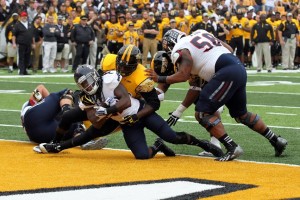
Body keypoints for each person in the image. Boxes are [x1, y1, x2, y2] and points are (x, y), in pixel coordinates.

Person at [146, 29, 288, 161]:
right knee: (241, 114)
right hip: (237, 66)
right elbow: (230, 50)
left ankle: (231, 147)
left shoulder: (180, 48)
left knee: (202, 113)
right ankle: (276, 140)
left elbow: (183, 75)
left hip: (225, 71)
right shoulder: (200, 33)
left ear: (171, 43)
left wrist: (159, 78)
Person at [103, 45, 224, 159]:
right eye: (121, 65)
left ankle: (207, 143)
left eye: (127, 66)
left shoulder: (185, 63)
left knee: (179, 131)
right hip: (131, 115)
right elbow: (160, 91)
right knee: (141, 155)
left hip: (143, 111)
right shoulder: (109, 65)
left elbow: (159, 98)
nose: (123, 69)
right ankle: (158, 146)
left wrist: (178, 111)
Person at [34, 65, 176, 159]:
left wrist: (107, 110)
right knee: (68, 116)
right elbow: (94, 120)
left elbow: (125, 100)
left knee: (89, 134)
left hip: (122, 110)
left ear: (95, 75)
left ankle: (58, 147)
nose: (87, 86)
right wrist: (100, 110)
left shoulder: (110, 80)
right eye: (83, 85)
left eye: (88, 81)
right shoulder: (86, 94)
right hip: (101, 109)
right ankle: (55, 142)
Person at [150, 51, 223, 157]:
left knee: (207, 111)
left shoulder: (186, 60)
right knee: (203, 109)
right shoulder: (173, 62)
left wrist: (178, 112)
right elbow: (160, 92)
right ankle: (217, 144)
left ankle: (221, 145)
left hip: (219, 77)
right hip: (211, 77)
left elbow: (195, 88)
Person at [12, 11, 35, 75]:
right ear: (20, 17)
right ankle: (21, 71)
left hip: (28, 44)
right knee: (21, 57)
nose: (24, 17)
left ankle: (25, 70)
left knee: (27, 58)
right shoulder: (17, 25)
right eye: (23, 16)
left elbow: (32, 35)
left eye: (25, 16)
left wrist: (33, 43)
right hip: (21, 44)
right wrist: (14, 43)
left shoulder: (30, 24)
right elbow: (14, 35)